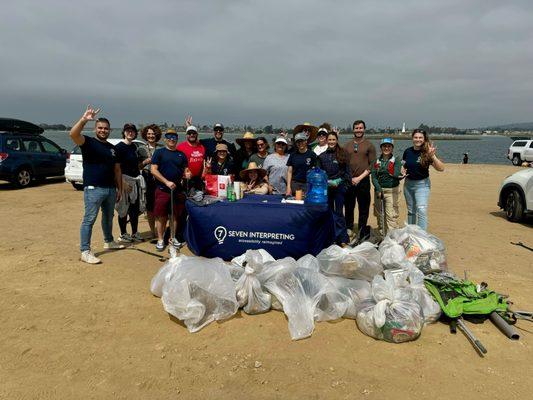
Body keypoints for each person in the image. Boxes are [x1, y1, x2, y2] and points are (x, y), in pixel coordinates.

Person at [69, 106, 124, 264]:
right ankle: (85, 251)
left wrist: (119, 188)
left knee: (108, 217)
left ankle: (109, 241)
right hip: (93, 188)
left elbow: (117, 171)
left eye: (106, 128)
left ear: (109, 130)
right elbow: (73, 134)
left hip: (110, 189)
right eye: (100, 128)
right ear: (95, 129)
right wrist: (84, 119)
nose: (103, 130)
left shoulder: (112, 149)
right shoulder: (88, 143)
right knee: (89, 219)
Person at [151, 130, 191, 252]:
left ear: (177, 139)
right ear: (165, 139)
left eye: (174, 137)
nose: (171, 139)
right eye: (169, 137)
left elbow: (186, 170)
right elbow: (153, 170)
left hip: (177, 190)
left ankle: (172, 238)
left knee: (174, 216)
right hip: (162, 189)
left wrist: (187, 174)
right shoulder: (159, 153)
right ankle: (160, 239)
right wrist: (166, 182)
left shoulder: (181, 155)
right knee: (161, 216)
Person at [402, 128, 445, 230]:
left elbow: (441, 168)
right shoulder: (407, 151)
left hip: (422, 185)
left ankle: (421, 236)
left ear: (424, 139)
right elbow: (404, 165)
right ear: (412, 138)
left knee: (421, 210)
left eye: (420, 137)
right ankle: (412, 233)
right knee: (411, 211)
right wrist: (402, 170)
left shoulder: (427, 152)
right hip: (408, 184)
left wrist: (433, 156)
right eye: (416, 137)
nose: (418, 139)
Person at [343, 119, 376, 243]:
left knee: (363, 208)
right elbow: (343, 163)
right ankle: (349, 231)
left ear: (364, 129)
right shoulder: (347, 145)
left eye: (361, 128)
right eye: (356, 128)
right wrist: (350, 178)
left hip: (363, 180)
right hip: (349, 181)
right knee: (349, 207)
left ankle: (362, 232)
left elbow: (372, 164)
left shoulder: (369, 145)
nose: (358, 130)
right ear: (353, 130)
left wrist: (359, 178)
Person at [318, 131, 351, 244]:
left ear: (337, 140)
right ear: (326, 141)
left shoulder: (343, 154)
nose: (331, 142)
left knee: (338, 213)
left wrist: (340, 182)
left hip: (339, 188)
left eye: (334, 140)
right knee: (328, 212)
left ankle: (342, 239)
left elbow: (347, 173)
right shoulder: (322, 156)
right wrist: (326, 181)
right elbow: (319, 174)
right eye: (330, 140)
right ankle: (331, 237)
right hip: (327, 188)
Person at [114, 123, 144, 243]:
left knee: (134, 210)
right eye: (128, 131)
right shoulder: (119, 148)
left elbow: (135, 165)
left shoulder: (134, 147)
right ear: (124, 133)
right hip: (124, 181)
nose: (130, 132)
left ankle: (134, 233)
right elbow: (116, 168)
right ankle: (123, 233)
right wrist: (122, 183)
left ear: (135, 133)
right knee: (123, 209)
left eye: (132, 131)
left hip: (135, 181)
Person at [371, 138, 404, 236]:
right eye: (384, 146)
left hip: (392, 191)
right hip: (379, 192)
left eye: (389, 146)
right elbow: (374, 177)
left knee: (391, 216)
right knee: (379, 216)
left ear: (392, 148)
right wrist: (378, 189)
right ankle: (382, 237)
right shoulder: (376, 161)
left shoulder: (396, 160)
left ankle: (392, 239)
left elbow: (396, 173)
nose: (386, 148)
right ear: (381, 148)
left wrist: (398, 174)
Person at [138, 124, 163, 241]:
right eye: (148, 134)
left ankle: (160, 232)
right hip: (147, 180)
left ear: (156, 135)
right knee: (150, 208)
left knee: (160, 207)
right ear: (145, 135)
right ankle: (152, 231)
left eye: (153, 134)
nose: (151, 136)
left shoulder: (162, 148)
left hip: (160, 180)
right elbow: (136, 166)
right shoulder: (141, 149)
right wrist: (145, 162)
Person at [176, 125, 205, 191]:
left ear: (197, 134)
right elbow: (176, 163)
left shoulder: (202, 147)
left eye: (194, 133)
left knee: (199, 198)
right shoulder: (180, 147)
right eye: (189, 133)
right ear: (186, 135)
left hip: (198, 180)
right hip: (185, 179)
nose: (192, 135)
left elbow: (204, 163)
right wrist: (182, 174)